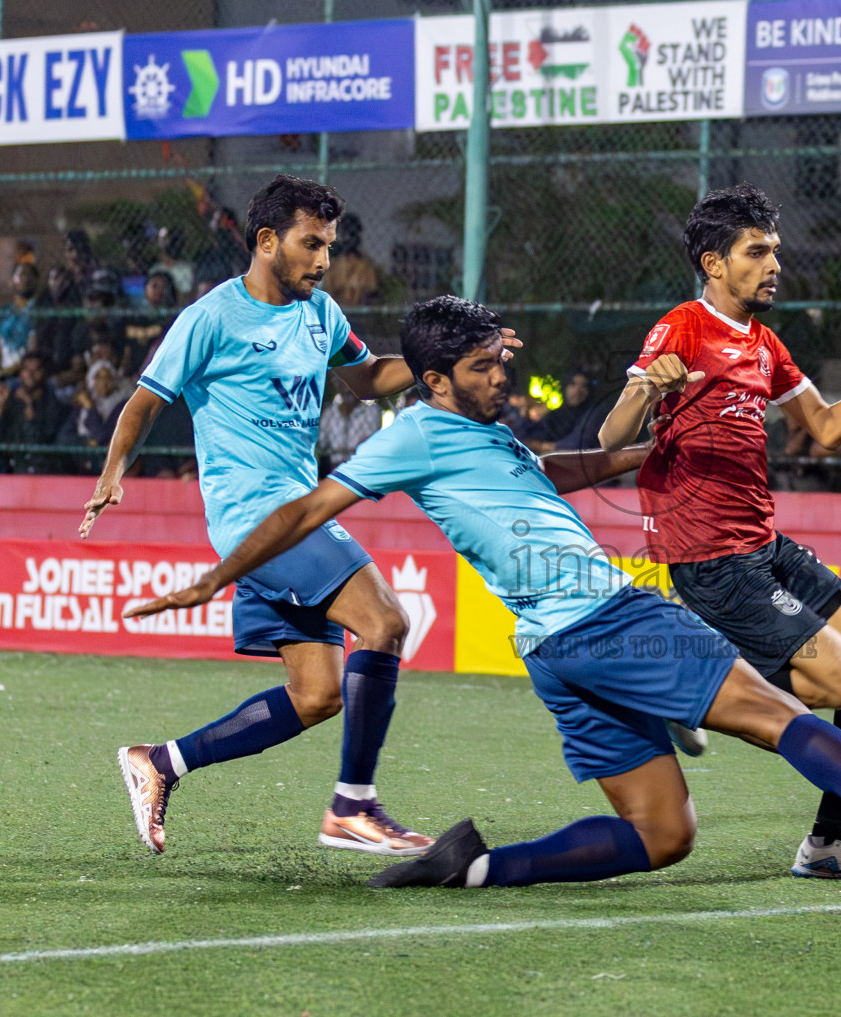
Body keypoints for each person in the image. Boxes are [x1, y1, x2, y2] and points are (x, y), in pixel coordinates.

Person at [126, 295, 841, 896]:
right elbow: (312, 505)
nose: (502, 379)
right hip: (607, 617)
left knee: (661, 835)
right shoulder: (411, 437)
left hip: (556, 653)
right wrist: (217, 576)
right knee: (776, 714)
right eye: (485, 368)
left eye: (500, 361)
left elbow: (562, 467)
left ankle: (473, 869)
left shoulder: (485, 435)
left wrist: (656, 444)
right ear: (438, 380)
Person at [84, 175, 519, 859]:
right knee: (386, 622)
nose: (323, 260)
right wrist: (112, 475)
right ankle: (354, 808)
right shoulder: (210, 318)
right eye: (310, 244)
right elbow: (144, 401)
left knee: (316, 693)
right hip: (256, 518)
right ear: (266, 241)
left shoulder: (319, 315)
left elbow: (367, 376)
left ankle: (159, 762)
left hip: (295, 512)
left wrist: (440, 359)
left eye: (329, 245)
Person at [598, 182, 841, 882]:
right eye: (756, 252)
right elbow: (611, 440)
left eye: (775, 251)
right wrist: (647, 389)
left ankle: (826, 846)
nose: (773, 264)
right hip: (710, 559)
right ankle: (676, 685)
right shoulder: (680, 328)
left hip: (766, 546)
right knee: (832, 683)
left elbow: (826, 429)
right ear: (714, 262)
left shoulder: (764, 343)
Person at [0, 352, 68, 474]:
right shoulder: (13, 400)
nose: (30, 374)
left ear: (44, 374)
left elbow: (44, 440)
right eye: (26, 369)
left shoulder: (54, 404)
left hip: (45, 473)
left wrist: (30, 409)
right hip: (14, 471)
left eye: (36, 370)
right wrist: (0, 408)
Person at [318, 380, 383, 473]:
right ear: (338, 387)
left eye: (351, 386)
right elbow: (322, 444)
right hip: (332, 470)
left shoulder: (371, 412)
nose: (348, 390)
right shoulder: (330, 412)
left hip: (360, 469)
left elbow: (371, 444)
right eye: (344, 385)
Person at [0, 263, 41, 381]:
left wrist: (7, 372)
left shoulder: (38, 312)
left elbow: (32, 350)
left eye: (29, 275)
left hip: (24, 376)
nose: (25, 279)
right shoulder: (4, 313)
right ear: (12, 280)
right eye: (20, 274)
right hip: (2, 375)